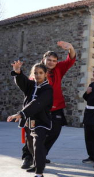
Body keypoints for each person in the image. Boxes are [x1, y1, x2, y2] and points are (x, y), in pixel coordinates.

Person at [20, 41, 76, 169]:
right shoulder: (36, 73)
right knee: (32, 134)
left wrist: (71, 48)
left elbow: (70, 60)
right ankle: (28, 157)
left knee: (54, 132)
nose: (51, 62)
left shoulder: (59, 69)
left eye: (54, 60)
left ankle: (40, 155)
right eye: (49, 60)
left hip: (56, 108)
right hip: (37, 110)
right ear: (43, 60)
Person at [8, 61, 53, 177]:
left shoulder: (48, 89)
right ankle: (37, 163)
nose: (38, 75)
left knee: (37, 144)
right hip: (29, 121)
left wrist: (21, 113)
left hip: (41, 122)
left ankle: (39, 174)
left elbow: (37, 103)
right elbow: (22, 82)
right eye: (35, 73)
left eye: (40, 73)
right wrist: (17, 72)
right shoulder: (31, 85)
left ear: (45, 75)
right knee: (29, 144)